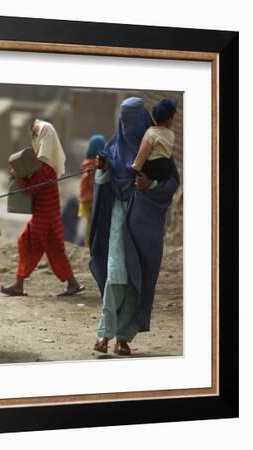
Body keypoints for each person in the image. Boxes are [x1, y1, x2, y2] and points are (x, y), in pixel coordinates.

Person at [90, 97, 180, 355]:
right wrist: (103, 169)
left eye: (134, 119)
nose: (129, 125)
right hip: (119, 219)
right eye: (125, 119)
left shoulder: (158, 145)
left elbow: (171, 183)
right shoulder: (113, 147)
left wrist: (148, 186)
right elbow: (105, 182)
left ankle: (124, 337)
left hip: (143, 224)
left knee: (134, 280)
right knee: (116, 274)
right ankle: (104, 334)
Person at [0, 119, 85, 297]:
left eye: (37, 135)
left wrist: (18, 177)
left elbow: (32, 188)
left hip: (44, 219)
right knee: (47, 250)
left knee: (34, 247)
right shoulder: (45, 163)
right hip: (47, 217)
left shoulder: (45, 165)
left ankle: (20, 284)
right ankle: (71, 283)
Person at [131, 98, 178, 182]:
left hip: (153, 168)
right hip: (166, 169)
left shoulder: (150, 133)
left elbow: (143, 152)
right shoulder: (171, 134)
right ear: (169, 119)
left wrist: (135, 167)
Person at [78, 134, 106, 247]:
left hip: (85, 198)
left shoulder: (86, 163)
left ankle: (88, 242)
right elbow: (91, 183)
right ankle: (88, 244)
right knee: (91, 223)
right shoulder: (93, 166)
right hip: (91, 199)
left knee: (89, 222)